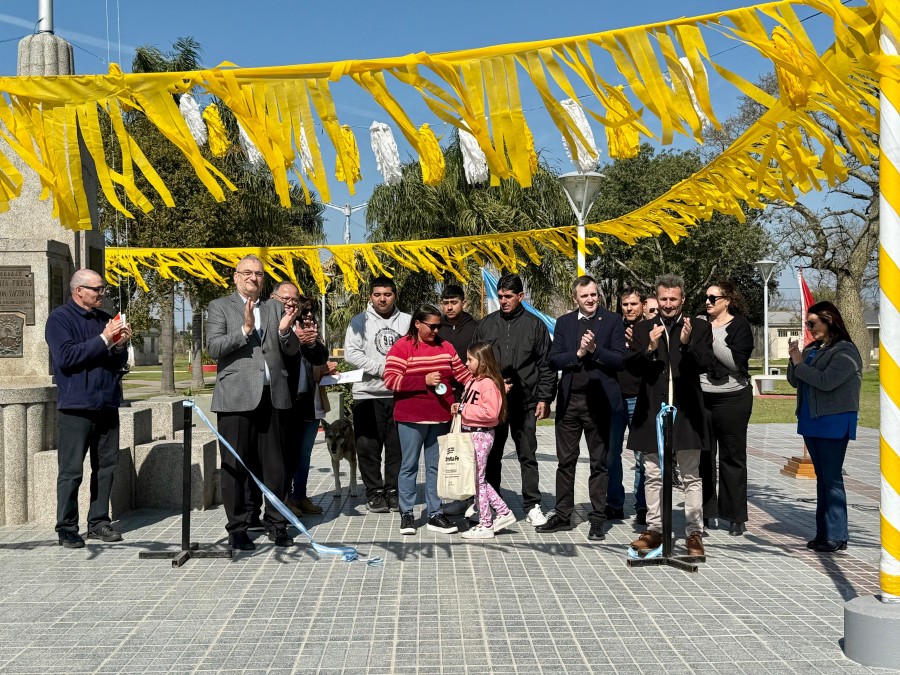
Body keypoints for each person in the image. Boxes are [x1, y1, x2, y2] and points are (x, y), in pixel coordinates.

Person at [206, 255, 299, 551]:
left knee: (276, 467)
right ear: (235, 276)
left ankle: (277, 523)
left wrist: (285, 330)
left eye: (258, 273)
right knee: (235, 466)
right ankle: (238, 527)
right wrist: (245, 330)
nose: (253, 278)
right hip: (236, 398)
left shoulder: (274, 307)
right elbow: (213, 347)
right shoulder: (220, 306)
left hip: (272, 397)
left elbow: (291, 349)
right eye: (247, 272)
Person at [627, 274, 714, 558]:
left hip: (687, 413)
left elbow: (705, 364)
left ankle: (694, 533)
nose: (667, 304)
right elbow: (634, 370)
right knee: (653, 474)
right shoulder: (643, 329)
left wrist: (687, 344)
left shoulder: (699, 327)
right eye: (663, 299)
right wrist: (650, 348)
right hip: (653, 412)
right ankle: (654, 530)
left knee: (691, 475)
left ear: (682, 300)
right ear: (657, 298)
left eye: (673, 299)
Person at [45, 269, 133, 548]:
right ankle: (67, 526)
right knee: (71, 470)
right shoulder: (60, 319)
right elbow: (67, 358)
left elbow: (115, 364)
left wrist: (120, 347)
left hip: (106, 403)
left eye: (103, 289)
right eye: (96, 289)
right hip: (76, 405)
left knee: (106, 466)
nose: (101, 294)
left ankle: (99, 522)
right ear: (78, 290)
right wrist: (105, 340)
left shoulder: (105, 319)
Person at [538, 276, 626, 540]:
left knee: (599, 463)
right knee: (565, 461)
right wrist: (577, 354)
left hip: (599, 402)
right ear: (575, 298)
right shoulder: (565, 323)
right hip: (569, 402)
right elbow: (553, 360)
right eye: (584, 296)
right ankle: (563, 515)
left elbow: (620, 360)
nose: (590, 300)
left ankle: (598, 518)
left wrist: (595, 350)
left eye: (594, 295)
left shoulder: (612, 321)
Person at [472, 273, 557, 526]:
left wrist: (545, 398)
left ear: (520, 297)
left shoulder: (535, 325)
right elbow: (476, 364)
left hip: (526, 402)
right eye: (500, 296)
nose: (504, 301)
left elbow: (547, 365)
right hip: (494, 404)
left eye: (508, 296)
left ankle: (532, 504)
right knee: (492, 455)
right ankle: (492, 504)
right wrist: (492, 385)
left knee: (527, 455)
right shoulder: (486, 325)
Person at [383, 304, 471, 535]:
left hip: (441, 417)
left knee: (436, 468)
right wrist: (422, 380)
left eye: (438, 326)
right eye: (431, 326)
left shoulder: (446, 346)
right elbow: (390, 380)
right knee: (409, 466)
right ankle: (407, 514)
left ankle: (435, 514)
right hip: (411, 418)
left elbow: (463, 375)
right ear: (417, 324)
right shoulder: (402, 347)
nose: (435, 331)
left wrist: (489, 383)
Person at [787, 301, 862, 553]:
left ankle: (837, 535)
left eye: (813, 323)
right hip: (810, 420)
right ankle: (824, 534)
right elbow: (795, 381)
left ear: (829, 319)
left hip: (834, 421)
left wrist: (799, 364)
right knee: (822, 479)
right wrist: (794, 359)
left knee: (831, 479)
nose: (809, 329)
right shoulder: (813, 349)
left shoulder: (846, 351)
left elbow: (826, 381)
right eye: (807, 324)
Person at [344, 276, 411, 513]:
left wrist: (400, 373)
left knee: (397, 448)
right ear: (371, 296)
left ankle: (393, 492)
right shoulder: (359, 321)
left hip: (399, 395)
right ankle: (374, 492)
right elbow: (351, 354)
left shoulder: (407, 322)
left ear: (395, 295)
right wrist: (383, 369)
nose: (382, 299)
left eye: (387, 294)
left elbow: (414, 352)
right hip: (367, 394)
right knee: (368, 448)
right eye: (377, 294)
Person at [273, 284, 337, 517]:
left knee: (304, 455)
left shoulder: (312, 341)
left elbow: (318, 360)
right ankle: (286, 499)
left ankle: (300, 496)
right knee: (287, 455)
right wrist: (296, 340)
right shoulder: (283, 335)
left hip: (310, 404)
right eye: (304, 315)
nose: (308, 319)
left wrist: (316, 350)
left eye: (311, 315)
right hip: (288, 404)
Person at [698, 281, 754, 536]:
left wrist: (708, 335)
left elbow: (734, 361)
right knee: (704, 456)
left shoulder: (740, 326)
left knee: (732, 457)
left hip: (733, 399)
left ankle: (734, 516)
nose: (707, 302)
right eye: (706, 297)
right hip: (702, 398)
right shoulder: (699, 322)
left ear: (727, 300)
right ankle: (706, 513)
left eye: (713, 297)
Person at [455, 341, 517, 540]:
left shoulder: (488, 384)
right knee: (478, 480)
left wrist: (464, 410)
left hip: (480, 435)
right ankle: (503, 512)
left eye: (470, 359)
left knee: (478, 481)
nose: (466, 363)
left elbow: (490, 413)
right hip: (471, 434)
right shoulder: (473, 381)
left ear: (482, 361)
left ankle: (486, 523)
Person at [437, 284, 480, 517]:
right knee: (450, 449)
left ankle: (475, 498)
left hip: (469, 395)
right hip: (442, 397)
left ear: (464, 303)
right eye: (445, 303)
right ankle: (455, 497)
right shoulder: (437, 328)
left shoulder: (475, 328)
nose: (449, 307)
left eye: (454, 302)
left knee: (470, 449)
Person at [610, 288, 648, 525]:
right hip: (614, 399)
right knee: (611, 454)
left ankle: (643, 505)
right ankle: (614, 503)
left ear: (642, 305)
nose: (629, 308)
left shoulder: (649, 329)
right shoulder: (614, 328)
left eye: (634, 304)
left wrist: (638, 344)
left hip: (641, 399)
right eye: (625, 304)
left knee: (642, 457)